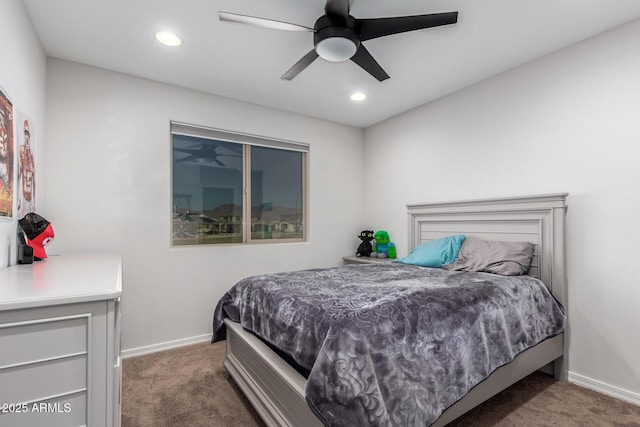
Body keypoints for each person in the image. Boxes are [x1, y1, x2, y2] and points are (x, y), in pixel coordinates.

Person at [18, 119, 35, 215]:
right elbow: (19, 172)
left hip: (29, 196)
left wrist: (34, 201)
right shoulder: (21, 149)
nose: (26, 137)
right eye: (25, 134)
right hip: (22, 194)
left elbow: (34, 179)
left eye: (27, 134)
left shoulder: (31, 154)